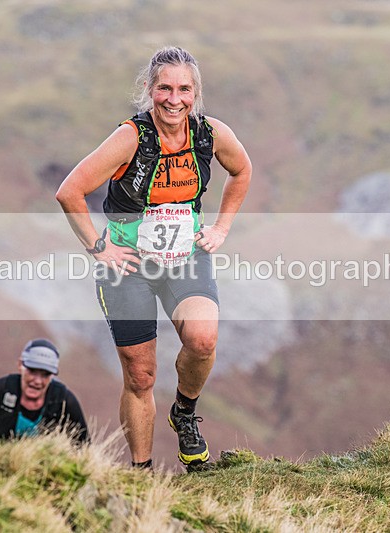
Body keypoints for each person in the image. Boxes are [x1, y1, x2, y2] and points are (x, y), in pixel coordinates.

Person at [55, 46, 252, 469]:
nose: (174, 99)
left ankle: (183, 412)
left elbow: (242, 170)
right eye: (164, 88)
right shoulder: (130, 138)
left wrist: (221, 228)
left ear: (195, 93)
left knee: (202, 339)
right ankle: (141, 473)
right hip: (129, 268)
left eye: (184, 89)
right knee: (141, 376)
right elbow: (70, 191)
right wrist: (98, 247)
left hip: (185, 259)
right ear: (150, 89)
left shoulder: (210, 134)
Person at [0, 338, 90, 443]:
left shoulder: (64, 400)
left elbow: (82, 443)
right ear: (20, 365)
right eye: (32, 371)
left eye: (45, 374)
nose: (37, 381)